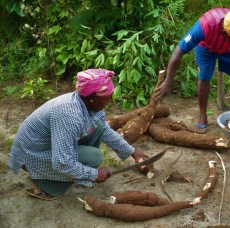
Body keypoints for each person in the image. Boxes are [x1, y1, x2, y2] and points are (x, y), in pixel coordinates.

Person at [8, 68, 150, 200]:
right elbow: (61, 163)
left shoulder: (87, 103)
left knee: (99, 126)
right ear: (92, 97)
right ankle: (45, 184)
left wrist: (132, 151)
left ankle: (76, 171)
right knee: (95, 157)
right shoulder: (69, 115)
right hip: (31, 155)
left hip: (51, 146)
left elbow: (105, 131)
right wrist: (93, 174)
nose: (109, 101)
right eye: (107, 98)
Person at [157, 8, 230, 132]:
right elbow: (179, 51)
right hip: (206, 48)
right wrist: (168, 80)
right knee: (204, 76)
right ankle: (203, 116)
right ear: (225, 32)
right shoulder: (205, 25)